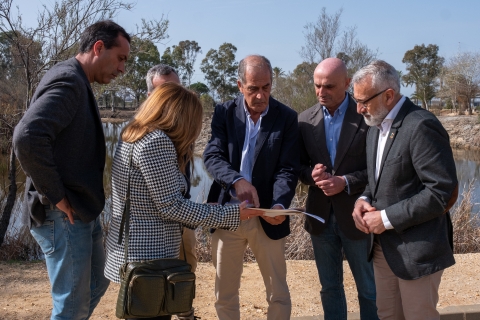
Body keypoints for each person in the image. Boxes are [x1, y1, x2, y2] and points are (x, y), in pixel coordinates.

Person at [104, 82, 263, 320]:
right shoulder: (157, 142)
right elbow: (171, 207)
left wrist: (201, 209)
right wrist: (230, 215)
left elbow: (155, 200)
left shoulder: (133, 134)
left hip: (133, 251)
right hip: (150, 258)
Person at [13, 20, 130, 320]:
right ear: (98, 47)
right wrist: (57, 196)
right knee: (70, 306)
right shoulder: (68, 80)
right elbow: (27, 137)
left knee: (98, 282)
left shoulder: (78, 79)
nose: (121, 69)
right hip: (61, 213)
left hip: (80, 211)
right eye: (120, 58)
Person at [351, 60, 458, 319]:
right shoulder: (375, 127)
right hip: (382, 248)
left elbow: (440, 192)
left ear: (389, 95)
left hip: (417, 252)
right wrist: (363, 199)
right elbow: (378, 179)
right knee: (387, 315)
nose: (358, 109)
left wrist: (385, 219)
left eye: (363, 100)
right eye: (355, 100)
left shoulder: (421, 125)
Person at [203, 54, 299, 320]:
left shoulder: (287, 117)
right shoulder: (223, 112)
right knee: (225, 292)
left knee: (278, 292)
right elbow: (212, 156)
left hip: (268, 214)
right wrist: (237, 180)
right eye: (253, 88)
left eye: (266, 87)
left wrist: (279, 204)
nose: (260, 95)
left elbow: (288, 169)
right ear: (239, 85)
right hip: (228, 215)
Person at [298, 58, 378, 319]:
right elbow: (294, 167)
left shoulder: (367, 119)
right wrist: (310, 175)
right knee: (330, 288)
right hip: (320, 217)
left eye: (329, 86)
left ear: (347, 84)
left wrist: (345, 182)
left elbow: (379, 170)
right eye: (317, 86)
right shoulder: (304, 121)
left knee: (369, 289)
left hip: (358, 217)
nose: (322, 92)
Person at [146, 63, 198, 320]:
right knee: (156, 281)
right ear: (150, 96)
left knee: (187, 263)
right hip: (156, 225)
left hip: (183, 210)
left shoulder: (182, 128)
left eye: (178, 90)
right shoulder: (148, 136)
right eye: (167, 92)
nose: (175, 98)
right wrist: (226, 214)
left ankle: (184, 308)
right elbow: (165, 203)